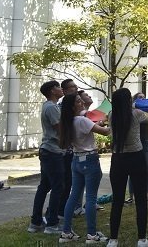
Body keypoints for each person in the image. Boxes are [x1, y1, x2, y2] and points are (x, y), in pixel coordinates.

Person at [58, 93, 110, 244]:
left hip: (76, 160)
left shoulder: (68, 121)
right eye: (79, 101)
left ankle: (66, 232)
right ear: (73, 106)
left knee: (73, 196)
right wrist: (115, 122)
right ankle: (92, 235)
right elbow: (105, 132)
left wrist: (98, 122)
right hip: (90, 160)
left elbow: (89, 126)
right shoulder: (82, 120)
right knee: (91, 198)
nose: (82, 102)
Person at [108, 88, 148, 247]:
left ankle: (113, 240)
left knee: (117, 200)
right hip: (136, 157)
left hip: (118, 159)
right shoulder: (136, 114)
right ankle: (142, 239)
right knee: (141, 199)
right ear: (128, 101)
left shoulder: (111, 115)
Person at [28, 80, 65, 235]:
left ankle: (36, 222)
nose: (61, 89)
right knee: (58, 187)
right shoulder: (51, 107)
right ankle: (51, 224)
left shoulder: (50, 106)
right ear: (51, 91)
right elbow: (60, 130)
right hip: (52, 152)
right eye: (58, 87)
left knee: (44, 186)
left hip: (48, 151)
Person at [126, 92, 148, 205]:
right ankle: (131, 197)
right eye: (140, 97)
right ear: (134, 100)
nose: (142, 99)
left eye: (144, 98)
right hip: (135, 142)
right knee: (133, 170)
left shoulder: (146, 110)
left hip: (146, 142)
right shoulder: (132, 111)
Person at [59, 78, 79, 218]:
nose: (75, 88)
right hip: (63, 152)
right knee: (63, 184)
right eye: (72, 87)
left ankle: (66, 210)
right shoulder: (61, 108)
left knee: (70, 183)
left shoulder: (73, 110)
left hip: (71, 151)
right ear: (64, 90)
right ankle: (59, 212)